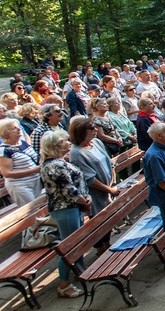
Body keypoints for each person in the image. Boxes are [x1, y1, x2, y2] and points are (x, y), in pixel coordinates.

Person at [39, 130, 91, 299]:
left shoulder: (59, 162)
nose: (69, 143)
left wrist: (85, 197)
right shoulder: (53, 165)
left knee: (76, 242)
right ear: (56, 146)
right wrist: (84, 201)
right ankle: (63, 285)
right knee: (69, 246)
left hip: (73, 207)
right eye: (65, 141)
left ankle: (79, 270)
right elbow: (68, 189)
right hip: (65, 209)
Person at [69, 116, 118, 255]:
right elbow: (89, 178)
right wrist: (108, 189)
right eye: (92, 128)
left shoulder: (96, 142)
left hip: (108, 187)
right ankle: (100, 248)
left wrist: (112, 181)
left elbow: (109, 162)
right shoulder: (76, 153)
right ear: (82, 131)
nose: (96, 129)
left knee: (108, 218)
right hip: (94, 193)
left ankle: (107, 243)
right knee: (97, 221)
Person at [0, 118, 41, 206]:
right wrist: (33, 170)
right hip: (21, 185)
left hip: (36, 181)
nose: (19, 129)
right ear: (6, 133)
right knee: (32, 209)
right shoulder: (5, 150)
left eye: (18, 127)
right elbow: (6, 173)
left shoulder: (23, 143)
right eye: (14, 128)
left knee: (40, 207)